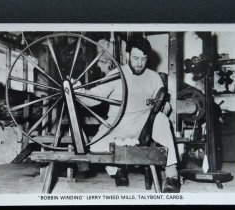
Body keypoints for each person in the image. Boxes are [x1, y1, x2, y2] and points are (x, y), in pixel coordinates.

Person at [77, 37, 180, 193]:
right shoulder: (115, 74)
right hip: (117, 124)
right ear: (127, 55)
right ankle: (118, 170)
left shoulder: (154, 77)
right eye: (136, 58)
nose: (139, 63)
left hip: (144, 125)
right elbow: (93, 99)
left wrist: (160, 108)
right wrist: (76, 90)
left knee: (161, 119)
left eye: (144, 59)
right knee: (95, 147)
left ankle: (172, 175)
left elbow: (164, 105)